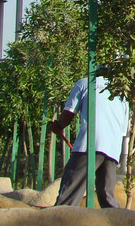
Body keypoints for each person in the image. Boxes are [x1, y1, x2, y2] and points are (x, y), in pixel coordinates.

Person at [50, 75, 129, 208]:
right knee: (106, 196)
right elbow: (123, 131)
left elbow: (68, 114)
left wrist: (58, 126)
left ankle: (59, 223)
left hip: (90, 144)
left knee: (70, 192)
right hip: (113, 149)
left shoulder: (84, 83)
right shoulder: (122, 93)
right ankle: (120, 225)